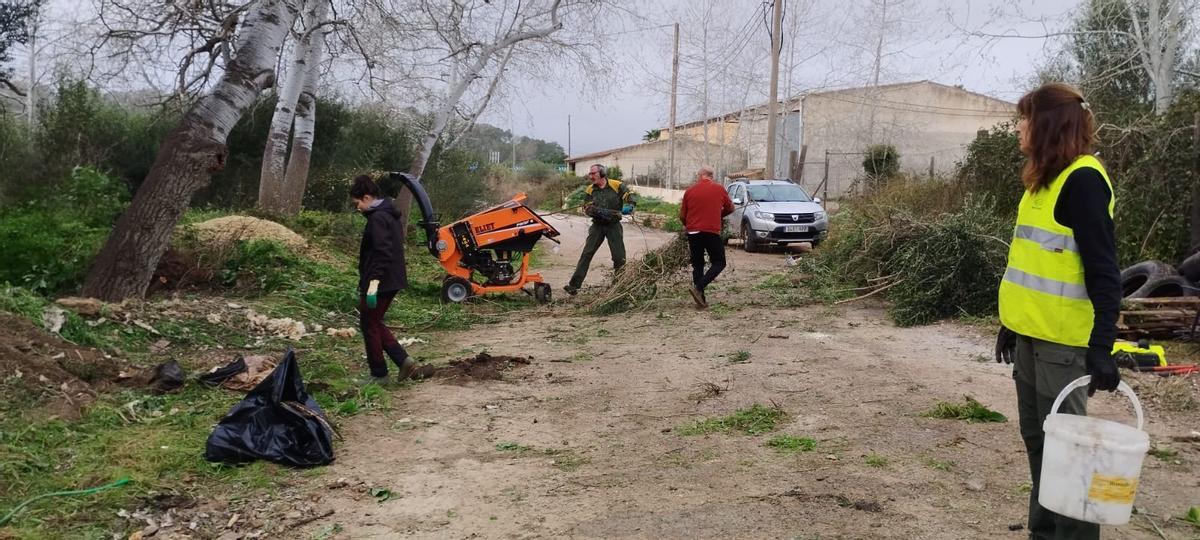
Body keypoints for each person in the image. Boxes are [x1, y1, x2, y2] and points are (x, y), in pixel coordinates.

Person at [994, 82, 1121, 540]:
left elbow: (1105, 273)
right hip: (1031, 341)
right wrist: (1012, 327)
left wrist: (1103, 345)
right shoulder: (1040, 183)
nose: (1018, 128)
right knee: (1039, 447)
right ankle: (1044, 534)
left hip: (1063, 349)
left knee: (1068, 457)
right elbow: (1032, 266)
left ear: (1047, 124)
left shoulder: (1083, 181)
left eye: (1025, 118)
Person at [351, 175, 417, 384]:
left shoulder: (378, 218)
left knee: (368, 323)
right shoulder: (388, 214)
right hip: (392, 279)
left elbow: (382, 252)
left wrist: (373, 283)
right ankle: (403, 360)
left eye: (358, 203)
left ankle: (379, 374)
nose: (358, 208)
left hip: (381, 280)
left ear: (367, 197)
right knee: (374, 321)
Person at [564, 164, 636, 295]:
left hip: (613, 226)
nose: (590, 176)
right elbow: (586, 208)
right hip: (597, 226)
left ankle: (619, 285)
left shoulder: (617, 185)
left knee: (619, 257)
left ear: (602, 173)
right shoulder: (590, 189)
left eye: (593, 173)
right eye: (590, 174)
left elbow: (630, 196)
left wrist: (630, 206)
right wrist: (598, 212)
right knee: (587, 254)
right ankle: (573, 285)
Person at [679, 165, 734, 308]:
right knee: (719, 262)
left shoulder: (690, 191)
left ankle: (700, 298)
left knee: (698, 264)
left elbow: (682, 215)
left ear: (700, 175)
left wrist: (689, 224)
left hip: (693, 233)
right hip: (711, 231)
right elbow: (730, 208)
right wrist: (718, 216)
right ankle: (699, 287)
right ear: (711, 176)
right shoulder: (719, 189)